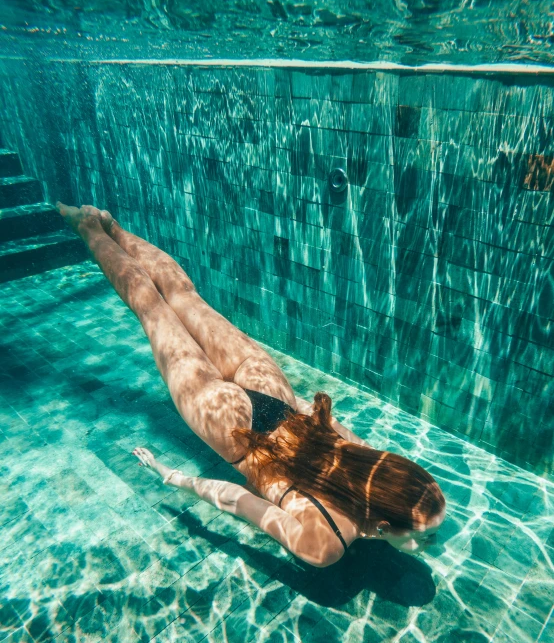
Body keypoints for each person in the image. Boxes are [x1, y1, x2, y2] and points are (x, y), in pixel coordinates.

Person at [57, 202, 446, 568]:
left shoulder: (372, 462)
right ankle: (89, 229)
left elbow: (317, 416)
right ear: (382, 527)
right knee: (153, 310)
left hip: (274, 394)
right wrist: (172, 477)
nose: (431, 545)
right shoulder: (326, 544)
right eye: (425, 537)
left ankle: (111, 228)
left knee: (182, 297)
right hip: (234, 431)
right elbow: (239, 500)